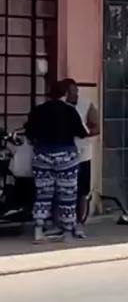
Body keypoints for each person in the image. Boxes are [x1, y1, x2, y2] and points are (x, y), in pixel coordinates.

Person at [26, 79, 90, 242]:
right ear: (65, 93)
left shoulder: (38, 110)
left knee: (43, 193)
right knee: (67, 195)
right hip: (66, 156)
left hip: (42, 155)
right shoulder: (70, 111)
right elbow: (82, 133)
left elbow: (29, 132)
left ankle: (39, 229)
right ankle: (67, 230)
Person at [65, 80, 98, 227]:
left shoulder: (86, 105)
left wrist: (84, 132)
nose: (76, 95)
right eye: (72, 92)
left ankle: (80, 219)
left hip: (82, 153)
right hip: (65, 152)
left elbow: (96, 127)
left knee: (82, 189)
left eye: (76, 92)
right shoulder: (59, 106)